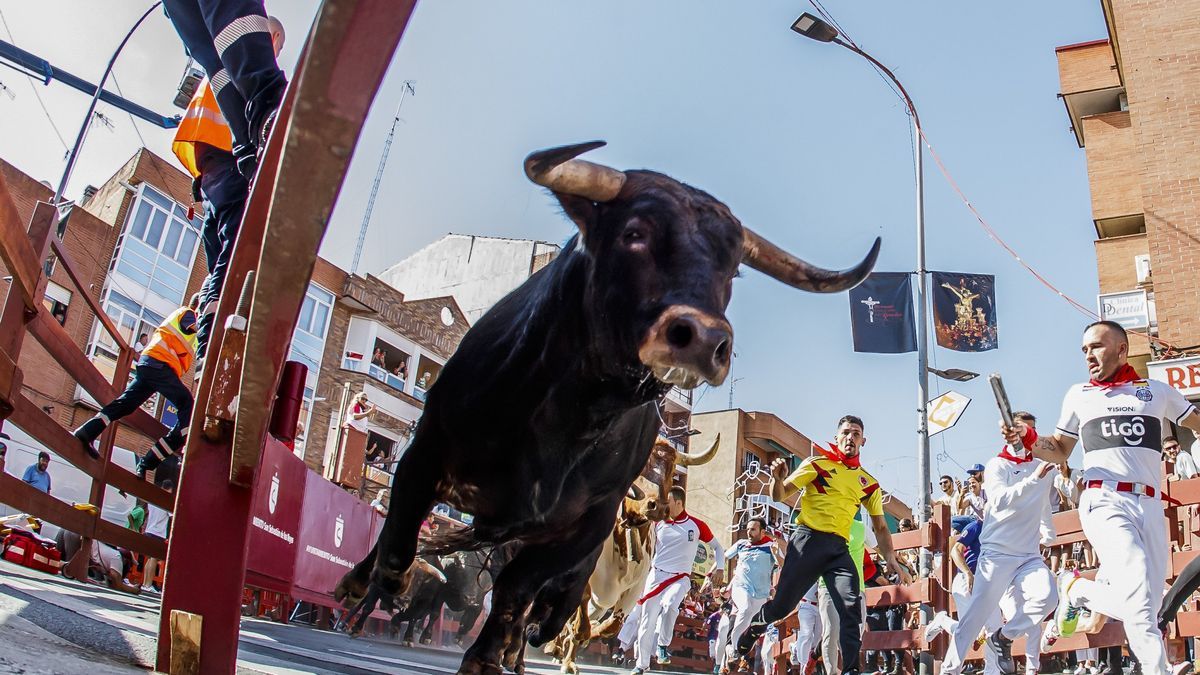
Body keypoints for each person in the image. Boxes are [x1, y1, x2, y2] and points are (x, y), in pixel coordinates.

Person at [1008, 321, 1200, 673]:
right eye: (1084, 350)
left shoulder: (1156, 391)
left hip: (1150, 504)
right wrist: (1030, 440)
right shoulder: (1080, 394)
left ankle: (1080, 590)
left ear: (1122, 349)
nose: (1089, 356)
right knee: (1138, 586)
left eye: (1096, 346)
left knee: (1147, 605)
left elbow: (1195, 422)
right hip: (1104, 500)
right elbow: (1061, 450)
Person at [735, 415, 913, 675]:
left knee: (852, 606)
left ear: (863, 441)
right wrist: (777, 478)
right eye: (845, 432)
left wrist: (892, 560)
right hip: (807, 541)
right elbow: (780, 494)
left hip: (838, 550)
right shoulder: (816, 464)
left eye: (855, 433)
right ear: (837, 436)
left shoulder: (869, 483)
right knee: (783, 606)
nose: (850, 437)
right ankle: (756, 626)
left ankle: (850, 669)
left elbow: (882, 528)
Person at [175, 16, 286, 365]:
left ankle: (210, 334)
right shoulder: (249, 49)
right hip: (229, 157)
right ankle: (212, 337)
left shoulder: (217, 63)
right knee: (234, 248)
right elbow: (253, 112)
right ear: (275, 36)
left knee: (221, 249)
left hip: (210, 166)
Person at [943, 410, 1058, 674]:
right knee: (972, 622)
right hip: (996, 556)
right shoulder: (997, 465)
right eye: (1021, 431)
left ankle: (1002, 638)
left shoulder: (1043, 466)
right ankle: (949, 671)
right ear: (1010, 433)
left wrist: (1048, 531)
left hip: (1028, 555)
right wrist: (1033, 480)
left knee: (1048, 597)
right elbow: (999, 500)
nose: (1027, 437)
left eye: (1031, 432)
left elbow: (1042, 504)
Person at [74, 296, 199, 477]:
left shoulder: (185, 319)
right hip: (159, 365)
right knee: (187, 404)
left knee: (125, 404)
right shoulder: (188, 313)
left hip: (152, 365)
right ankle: (150, 460)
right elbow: (194, 327)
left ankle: (87, 431)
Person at [161, 0, 287, 179]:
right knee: (233, 12)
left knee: (214, 59)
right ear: (273, 37)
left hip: (221, 164)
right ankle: (269, 109)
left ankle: (250, 152)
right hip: (227, 159)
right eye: (280, 46)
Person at [630, 485, 724, 675]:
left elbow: (718, 548)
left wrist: (720, 568)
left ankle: (663, 646)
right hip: (656, 576)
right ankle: (642, 665)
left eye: (668, 502)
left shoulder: (696, 525)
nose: (664, 505)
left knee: (671, 605)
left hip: (680, 578)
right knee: (647, 621)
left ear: (679, 502)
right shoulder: (658, 523)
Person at [717, 518, 783, 666]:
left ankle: (737, 652)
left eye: (753, 529)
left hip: (761, 594)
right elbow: (724, 556)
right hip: (741, 588)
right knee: (745, 609)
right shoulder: (741, 544)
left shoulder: (771, 546)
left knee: (751, 623)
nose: (749, 532)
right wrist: (711, 574)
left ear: (762, 531)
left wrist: (776, 554)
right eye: (748, 529)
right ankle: (732, 650)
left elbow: (782, 566)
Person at [142, 480, 175, 593]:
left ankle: (145, 583)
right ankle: (148, 584)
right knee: (154, 559)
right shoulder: (166, 501)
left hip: (149, 530)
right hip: (158, 533)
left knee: (149, 559)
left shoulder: (153, 500)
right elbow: (172, 517)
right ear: (169, 489)